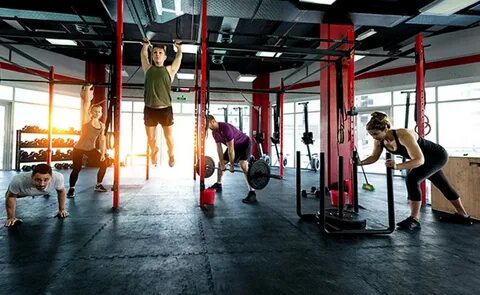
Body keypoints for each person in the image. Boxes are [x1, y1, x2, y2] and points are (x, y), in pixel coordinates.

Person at [359, 111, 471, 230]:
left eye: (376, 134)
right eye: (371, 135)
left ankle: (414, 219)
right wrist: (359, 163)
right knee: (442, 184)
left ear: (386, 128)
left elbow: (419, 160)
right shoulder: (379, 141)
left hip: (436, 156)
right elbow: (373, 157)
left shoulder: (403, 134)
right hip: (424, 159)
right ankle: (463, 215)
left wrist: (397, 166)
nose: (374, 137)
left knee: (412, 179)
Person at [140, 39, 183, 167]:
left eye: (160, 52)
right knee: (150, 139)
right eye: (155, 52)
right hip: (149, 109)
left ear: (164, 56)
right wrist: (145, 46)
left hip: (165, 109)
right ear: (152, 56)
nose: (157, 54)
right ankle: (154, 150)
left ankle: (171, 153)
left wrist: (179, 48)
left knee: (168, 138)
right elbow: (143, 56)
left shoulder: (169, 70)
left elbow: (178, 58)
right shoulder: (148, 69)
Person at [67, 84, 108, 198]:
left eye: (99, 112)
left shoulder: (102, 125)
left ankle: (98, 184)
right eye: (94, 111)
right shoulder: (86, 120)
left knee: (104, 164)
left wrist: (103, 153)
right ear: (91, 112)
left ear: (101, 113)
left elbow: (103, 140)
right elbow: (86, 104)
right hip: (79, 148)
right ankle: (71, 189)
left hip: (91, 149)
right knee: (77, 168)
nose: (97, 113)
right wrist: (87, 89)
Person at [205, 115, 257, 204]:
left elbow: (231, 149)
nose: (209, 128)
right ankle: (218, 184)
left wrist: (232, 165)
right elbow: (219, 149)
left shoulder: (225, 128)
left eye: (209, 125)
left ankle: (252, 192)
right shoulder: (214, 133)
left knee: (243, 165)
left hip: (244, 144)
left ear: (213, 121)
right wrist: (222, 164)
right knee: (220, 163)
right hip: (234, 147)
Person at [4, 164, 69, 227]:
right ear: (32, 177)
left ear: (51, 178)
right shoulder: (18, 180)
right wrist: (11, 217)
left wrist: (62, 209)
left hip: (45, 191)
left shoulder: (58, 177)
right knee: (8, 194)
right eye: (38, 180)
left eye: (46, 180)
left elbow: (61, 191)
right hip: (22, 193)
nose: (42, 184)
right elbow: (11, 196)